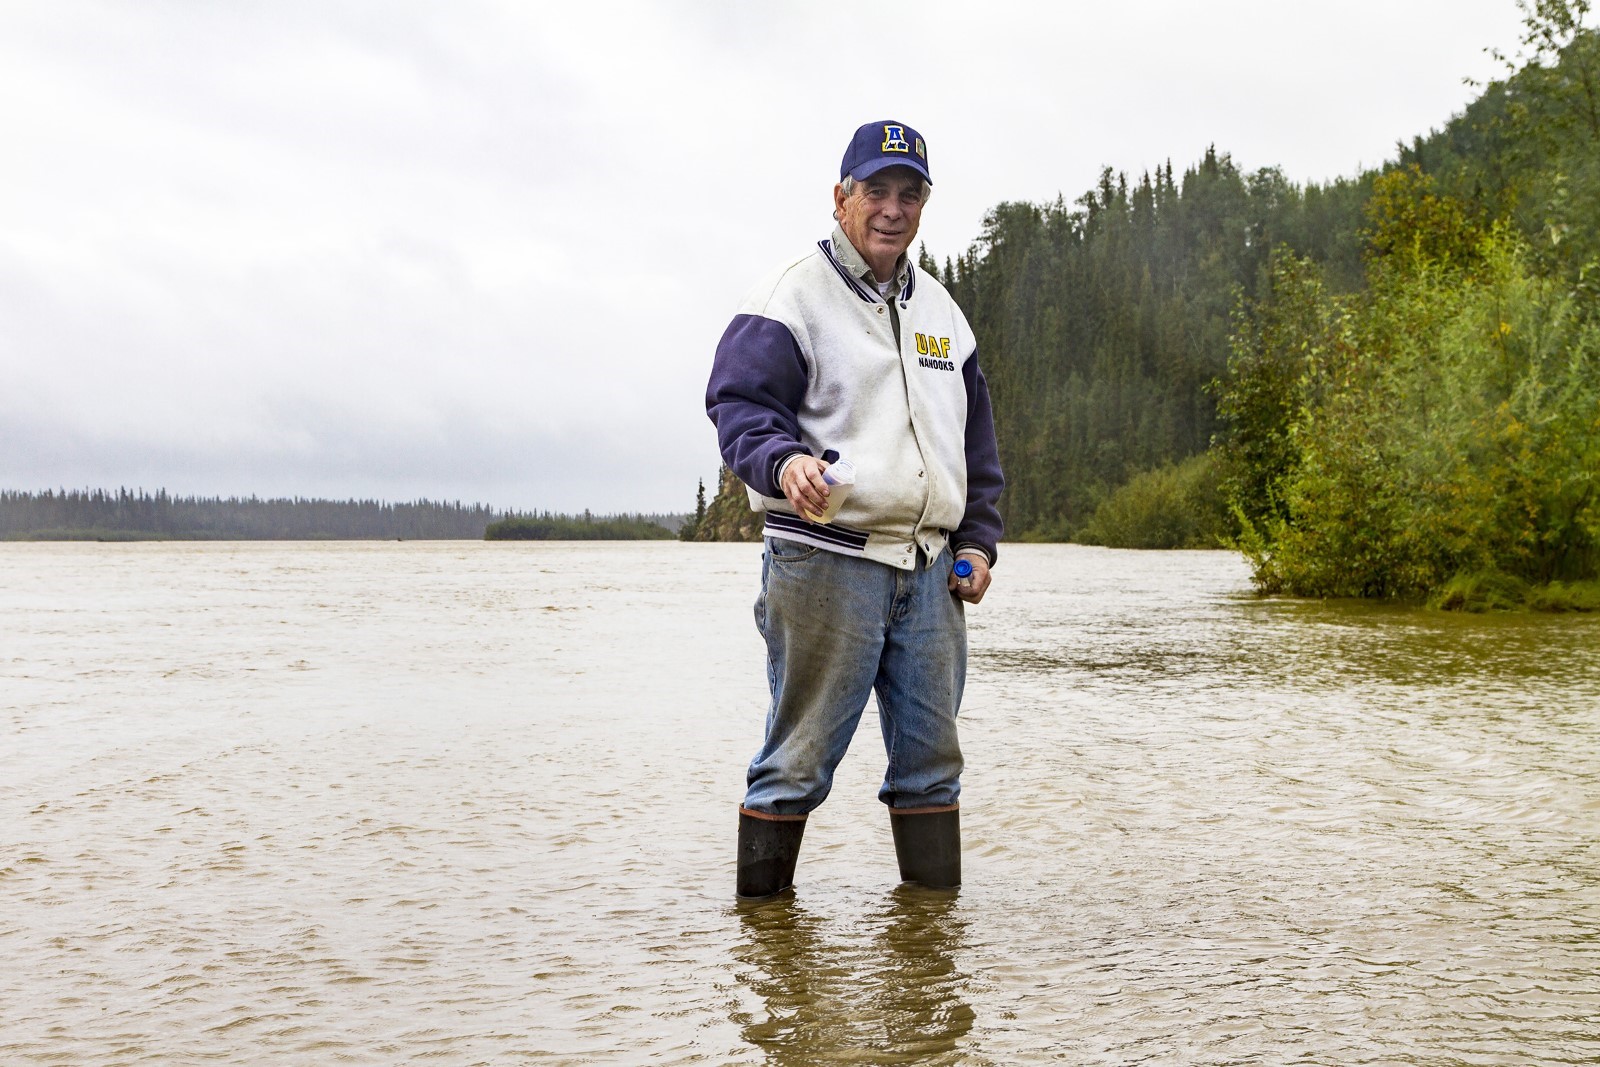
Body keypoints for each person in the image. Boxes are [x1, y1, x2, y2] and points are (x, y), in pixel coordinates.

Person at [706, 119, 1004, 898]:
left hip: (931, 574)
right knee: (796, 762)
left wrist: (977, 544)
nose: (893, 209)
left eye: (911, 194)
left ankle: (930, 952)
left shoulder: (945, 314)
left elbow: (975, 449)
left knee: (933, 764)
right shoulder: (789, 297)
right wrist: (784, 460)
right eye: (876, 190)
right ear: (842, 197)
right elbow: (738, 406)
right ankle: (769, 956)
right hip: (824, 560)